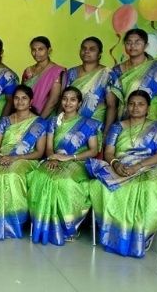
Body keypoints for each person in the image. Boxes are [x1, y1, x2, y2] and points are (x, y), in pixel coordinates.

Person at [87, 90, 157, 258]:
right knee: (100, 185)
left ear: (148, 108)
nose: (135, 107)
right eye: (131, 104)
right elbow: (109, 152)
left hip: (151, 167)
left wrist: (137, 167)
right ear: (127, 106)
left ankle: (144, 234)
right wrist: (116, 164)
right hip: (121, 166)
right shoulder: (117, 127)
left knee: (151, 187)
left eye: (140, 104)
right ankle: (118, 235)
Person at [0, 85, 47, 240]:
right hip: (2, 156)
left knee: (12, 175)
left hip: (25, 159)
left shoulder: (39, 123)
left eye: (24, 98)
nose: (20, 101)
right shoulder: (5, 121)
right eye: (17, 98)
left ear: (31, 101)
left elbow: (39, 152)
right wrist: (0, 156)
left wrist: (15, 158)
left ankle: (14, 222)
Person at [28, 86, 100, 246]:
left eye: (73, 100)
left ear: (79, 103)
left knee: (65, 181)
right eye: (65, 99)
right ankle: (43, 225)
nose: (68, 103)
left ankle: (68, 227)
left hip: (78, 162)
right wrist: (53, 158)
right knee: (40, 177)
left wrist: (70, 157)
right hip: (54, 160)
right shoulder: (53, 121)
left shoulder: (89, 124)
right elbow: (49, 147)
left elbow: (94, 150)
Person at [105, 29, 157, 137]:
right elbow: (113, 105)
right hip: (125, 124)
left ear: (146, 45)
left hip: (152, 126)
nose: (133, 46)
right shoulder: (116, 71)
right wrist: (107, 132)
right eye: (129, 42)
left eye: (137, 42)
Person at [62, 37, 110, 124]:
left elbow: (112, 106)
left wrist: (107, 130)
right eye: (84, 48)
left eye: (92, 49)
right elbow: (62, 100)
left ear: (99, 54)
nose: (86, 51)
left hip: (95, 125)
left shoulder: (107, 74)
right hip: (70, 125)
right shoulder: (71, 73)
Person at [21, 36, 65, 118]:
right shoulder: (28, 71)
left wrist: (39, 121)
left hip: (46, 118)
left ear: (49, 50)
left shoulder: (56, 71)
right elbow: (21, 94)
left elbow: (53, 101)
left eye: (40, 49)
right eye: (33, 50)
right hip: (25, 116)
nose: (36, 53)